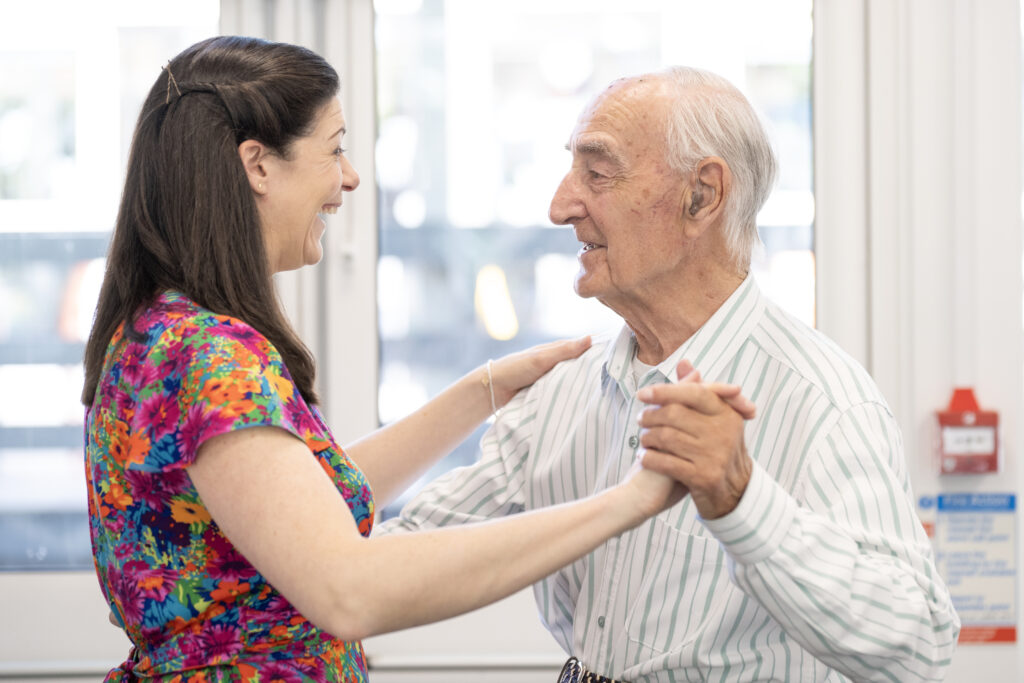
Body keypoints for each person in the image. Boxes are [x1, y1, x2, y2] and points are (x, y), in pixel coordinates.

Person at [81, 36, 707, 682]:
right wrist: (629, 501)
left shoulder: (157, 333)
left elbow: (301, 500)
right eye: (335, 149)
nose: (349, 178)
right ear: (258, 165)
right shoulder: (211, 358)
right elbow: (351, 588)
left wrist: (482, 390)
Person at [379, 67, 960, 682]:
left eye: (596, 174)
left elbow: (917, 647)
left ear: (702, 196)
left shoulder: (824, 403)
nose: (559, 206)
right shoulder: (559, 390)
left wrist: (743, 503)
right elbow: (389, 563)